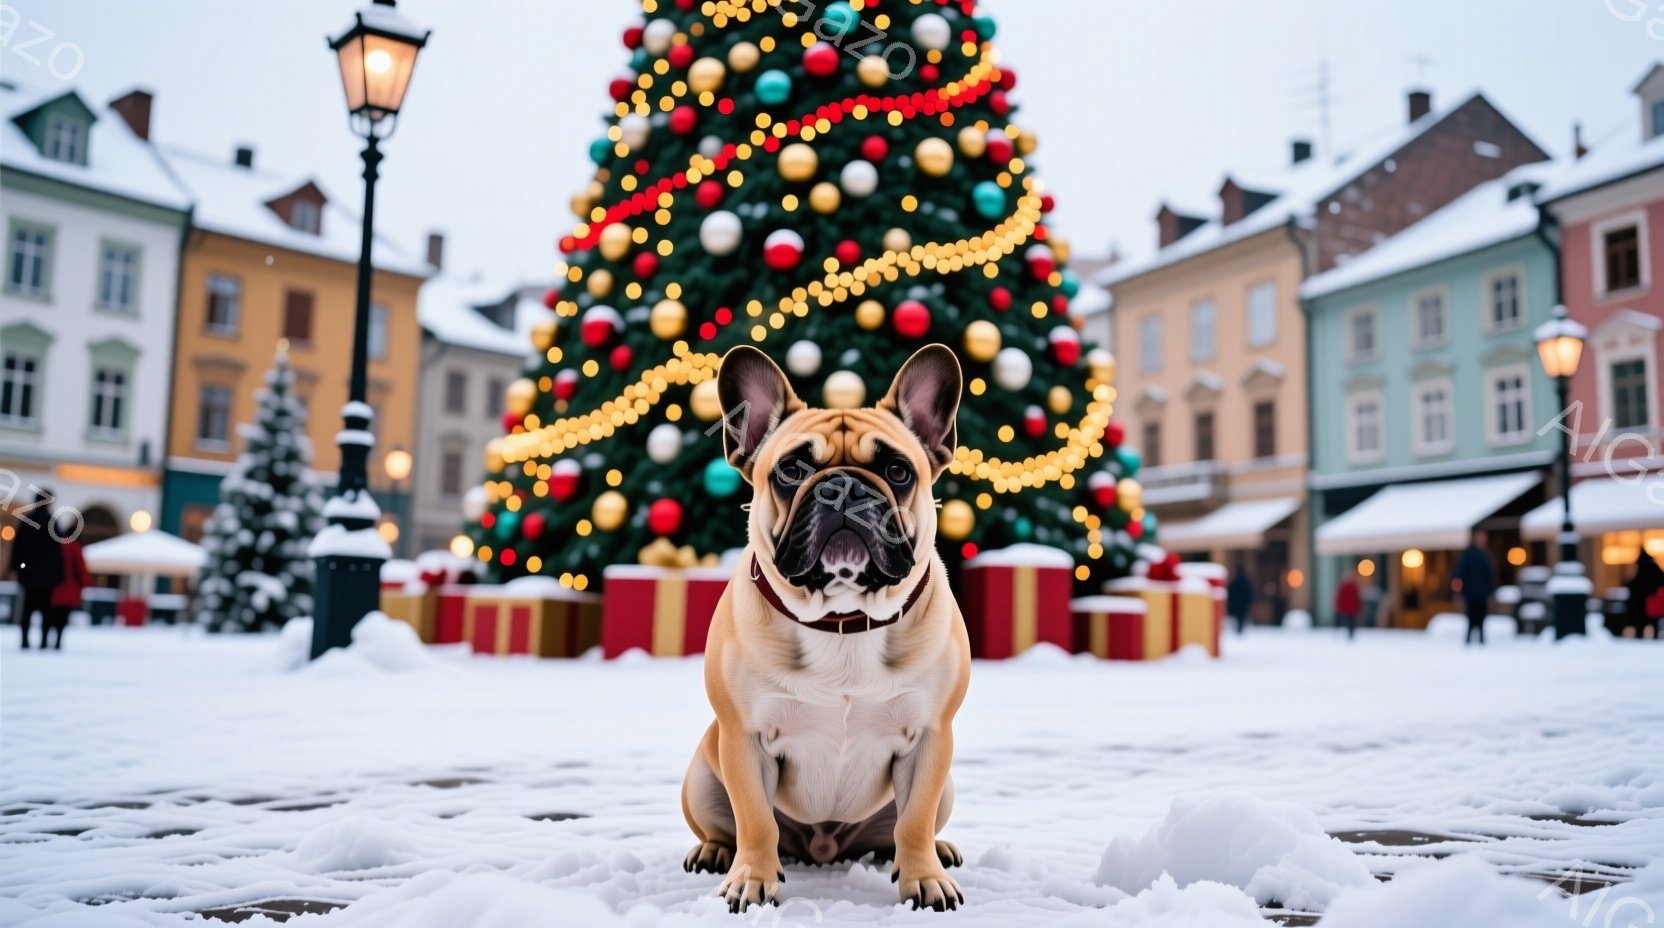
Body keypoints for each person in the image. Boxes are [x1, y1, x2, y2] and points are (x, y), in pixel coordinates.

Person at [5, 488, 65, 650]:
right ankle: (44, 641)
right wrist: (59, 575)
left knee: (27, 609)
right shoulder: (51, 522)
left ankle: (25, 640)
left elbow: (18, 548)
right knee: (46, 611)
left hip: (29, 575)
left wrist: (16, 568)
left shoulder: (27, 520)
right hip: (47, 577)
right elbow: (57, 552)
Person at [47, 511, 90, 650]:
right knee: (63, 617)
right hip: (70, 588)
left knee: (51, 615)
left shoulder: (57, 545)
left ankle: (45, 639)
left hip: (54, 586)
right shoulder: (75, 548)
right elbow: (81, 568)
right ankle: (58, 641)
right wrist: (86, 583)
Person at [1453, 529, 1497, 646]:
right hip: (1471, 593)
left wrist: (1491, 590)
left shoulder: (1486, 554)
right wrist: (1459, 590)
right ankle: (1468, 639)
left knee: (1482, 616)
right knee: (1471, 616)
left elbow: (1490, 575)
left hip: (1483, 593)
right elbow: (1460, 573)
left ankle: (1481, 638)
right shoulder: (1468, 555)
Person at [1625, 550, 1663, 639]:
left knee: (1641, 622)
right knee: (1654, 622)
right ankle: (1654, 636)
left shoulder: (1642, 569)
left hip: (1645, 602)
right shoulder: (1654, 568)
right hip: (1649, 601)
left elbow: (1636, 585)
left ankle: (1641, 636)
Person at [1334, 568, 1361, 641]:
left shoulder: (1348, 586)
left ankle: (1350, 633)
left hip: (1350, 608)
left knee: (1350, 621)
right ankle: (1350, 633)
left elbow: (1356, 597)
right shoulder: (1351, 586)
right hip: (1350, 608)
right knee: (1351, 621)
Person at [1226, 565, 1254, 634]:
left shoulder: (1234, 581)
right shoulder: (1246, 582)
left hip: (1237, 603)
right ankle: (1239, 629)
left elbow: (1230, 592)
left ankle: (1238, 629)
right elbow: (1249, 593)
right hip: (1243, 603)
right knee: (1241, 617)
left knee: (1238, 617)